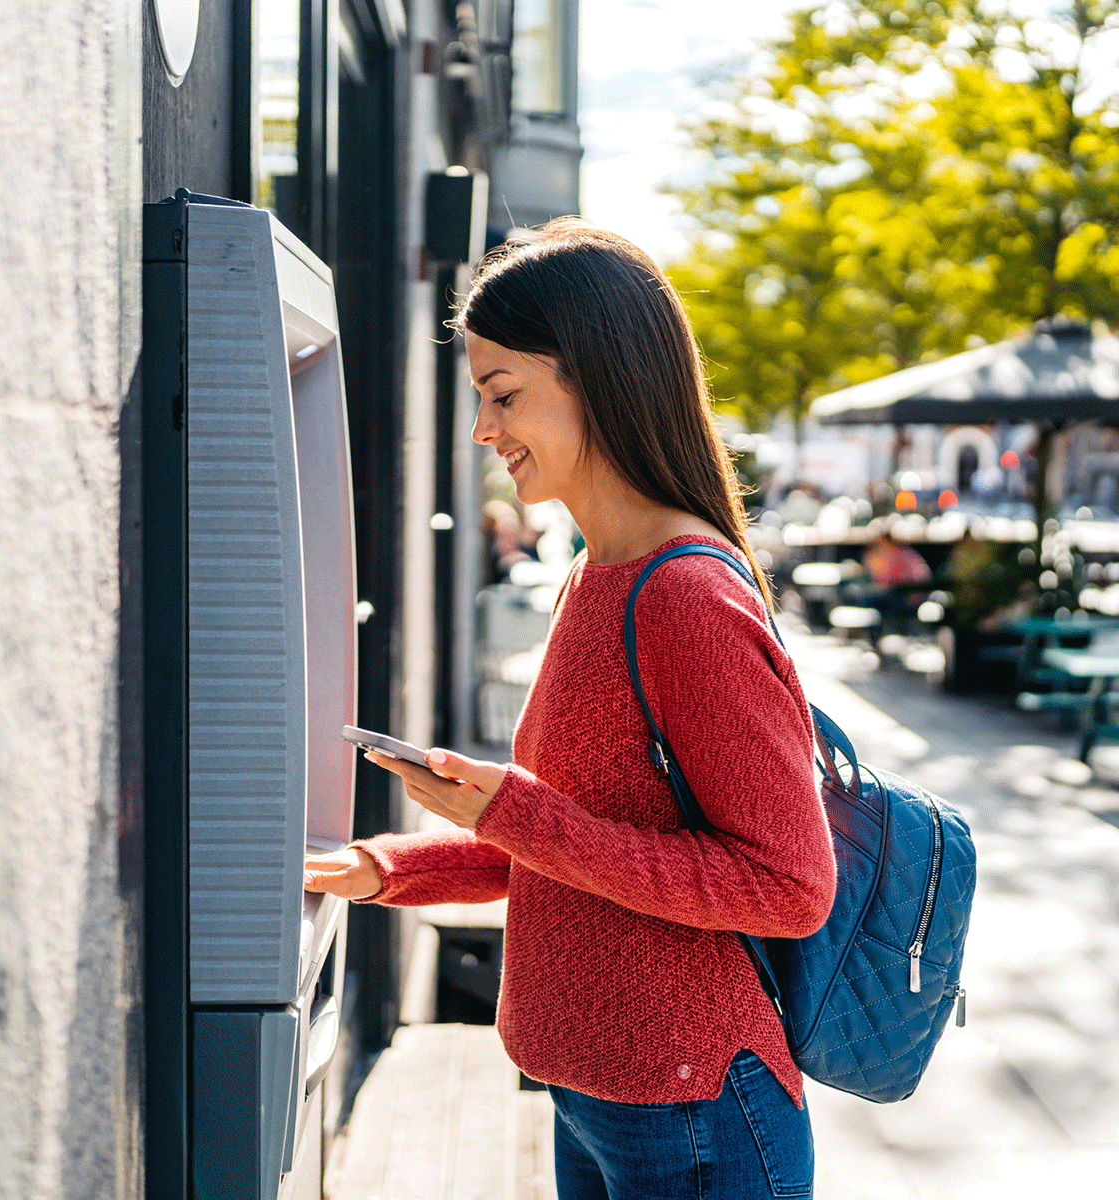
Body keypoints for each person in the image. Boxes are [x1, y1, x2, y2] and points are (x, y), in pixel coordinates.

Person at [304, 221, 836, 1199]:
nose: (483, 431)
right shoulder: (596, 578)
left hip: (693, 1111)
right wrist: (381, 870)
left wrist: (514, 810)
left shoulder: (685, 598)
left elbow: (787, 885)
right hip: (598, 1094)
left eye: (502, 394)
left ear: (600, 374)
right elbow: (575, 849)